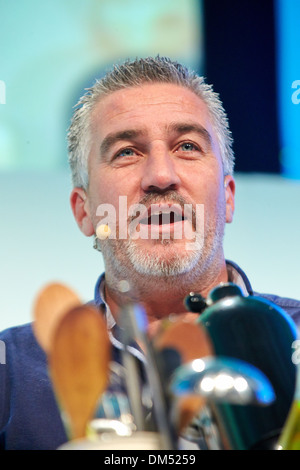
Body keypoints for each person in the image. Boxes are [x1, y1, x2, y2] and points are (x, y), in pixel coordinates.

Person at [1, 56, 300, 450]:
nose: (161, 176)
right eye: (127, 152)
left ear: (227, 198)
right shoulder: (12, 374)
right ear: (84, 210)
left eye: (188, 146)